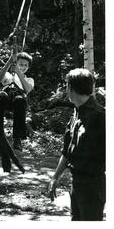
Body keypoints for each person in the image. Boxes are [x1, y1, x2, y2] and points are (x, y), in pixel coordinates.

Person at [48, 68, 105, 221]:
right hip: (76, 185)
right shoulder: (76, 112)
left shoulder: (101, 117)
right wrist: (55, 178)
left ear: (71, 88)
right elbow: (67, 151)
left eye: (67, 85)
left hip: (93, 187)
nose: (66, 89)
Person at [0, 51, 34, 152]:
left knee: (20, 100)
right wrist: (9, 61)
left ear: (28, 67)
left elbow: (28, 89)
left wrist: (18, 73)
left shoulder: (29, 79)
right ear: (15, 64)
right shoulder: (8, 75)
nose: (23, 67)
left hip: (18, 101)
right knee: (0, 97)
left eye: (25, 65)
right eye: (20, 64)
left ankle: (17, 139)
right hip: (5, 99)